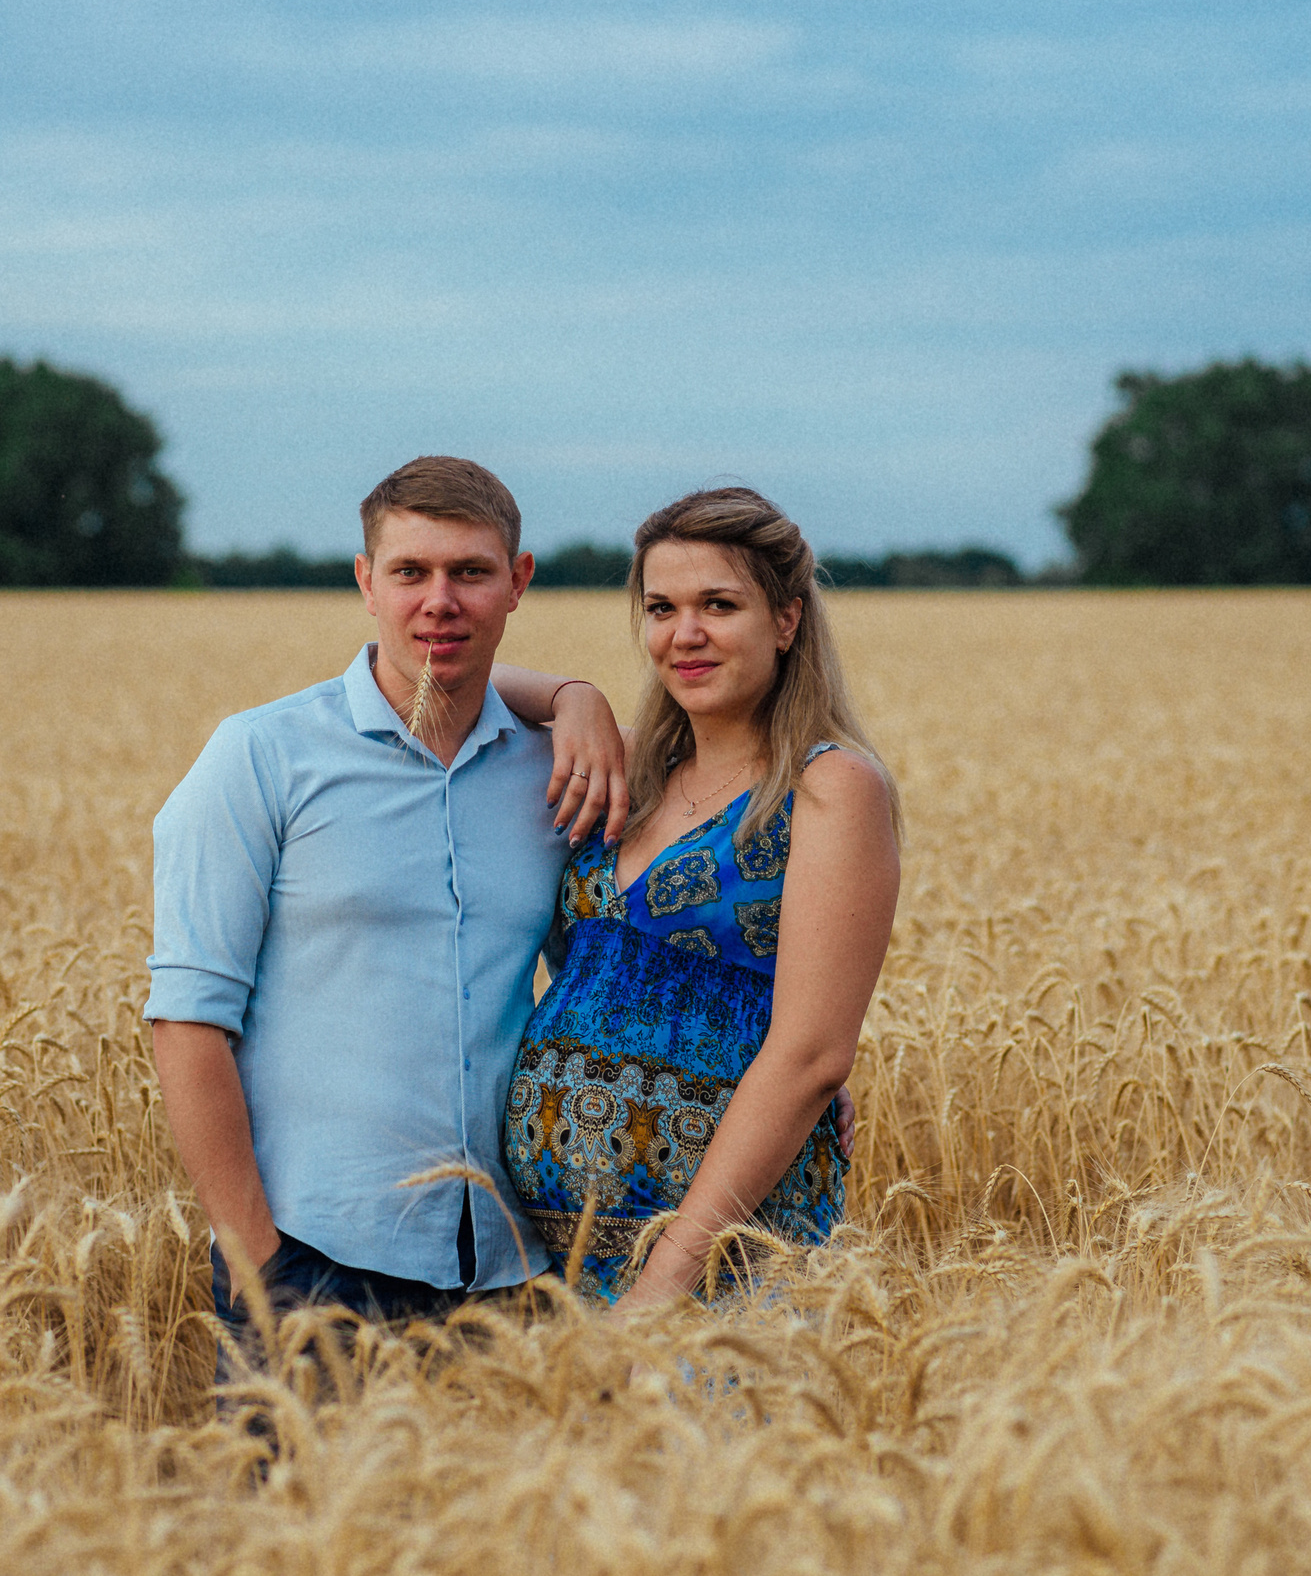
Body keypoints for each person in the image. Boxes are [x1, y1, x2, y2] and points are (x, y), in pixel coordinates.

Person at [145, 457, 628, 1360]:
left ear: (517, 583)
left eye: (471, 572)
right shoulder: (261, 756)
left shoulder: (555, 773)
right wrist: (257, 1257)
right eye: (411, 572)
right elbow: (186, 1018)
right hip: (312, 1256)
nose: (439, 600)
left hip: (509, 1264)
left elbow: (615, 985)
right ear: (366, 582)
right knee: (285, 1504)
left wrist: (796, 1064)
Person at [503, 487, 901, 1306]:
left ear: (786, 620)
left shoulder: (828, 786)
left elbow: (812, 1055)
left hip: (718, 1258)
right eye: (661, 607)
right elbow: (430, 676)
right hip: (551, 1256)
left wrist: (666, 1281)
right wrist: (571, 694)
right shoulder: (621, 764)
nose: (684, 633)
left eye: (719, 604)